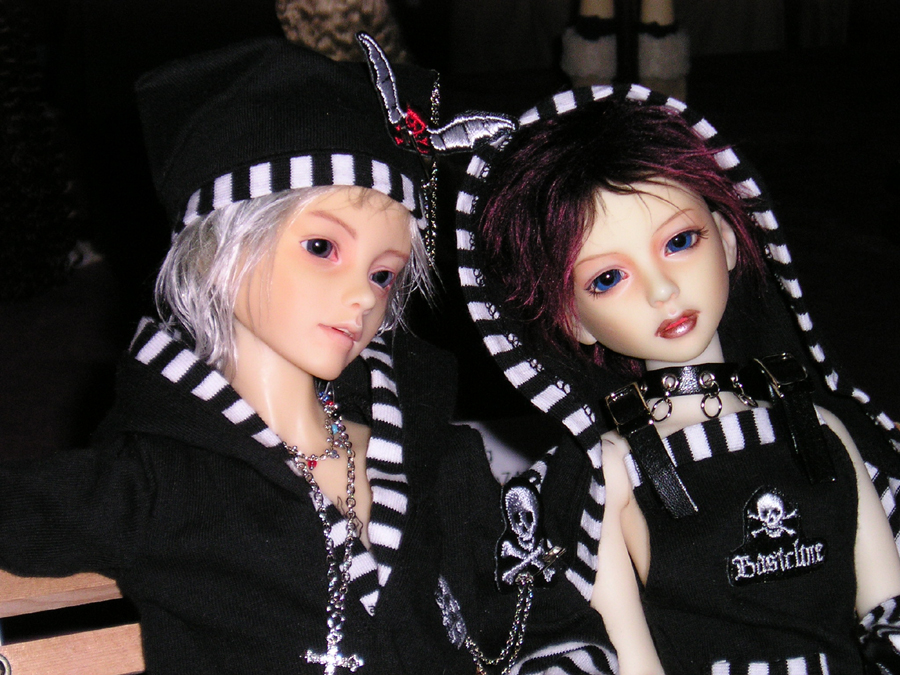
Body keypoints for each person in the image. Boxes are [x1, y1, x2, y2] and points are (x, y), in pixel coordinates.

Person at [0, 36, 617, 674]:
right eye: (322, 248)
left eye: (383, 274)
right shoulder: (162, 483)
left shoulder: (431, 454)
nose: (363, 297)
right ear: (219, 249)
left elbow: (523, 601)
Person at [456, 84, 900, 673]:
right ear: (573, 319)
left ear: (727, 240)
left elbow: (887, 607)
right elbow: (632, 657)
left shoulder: (820, 427)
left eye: (680, 242)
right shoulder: (610, 471)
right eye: (608, 278)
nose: (662, 290)